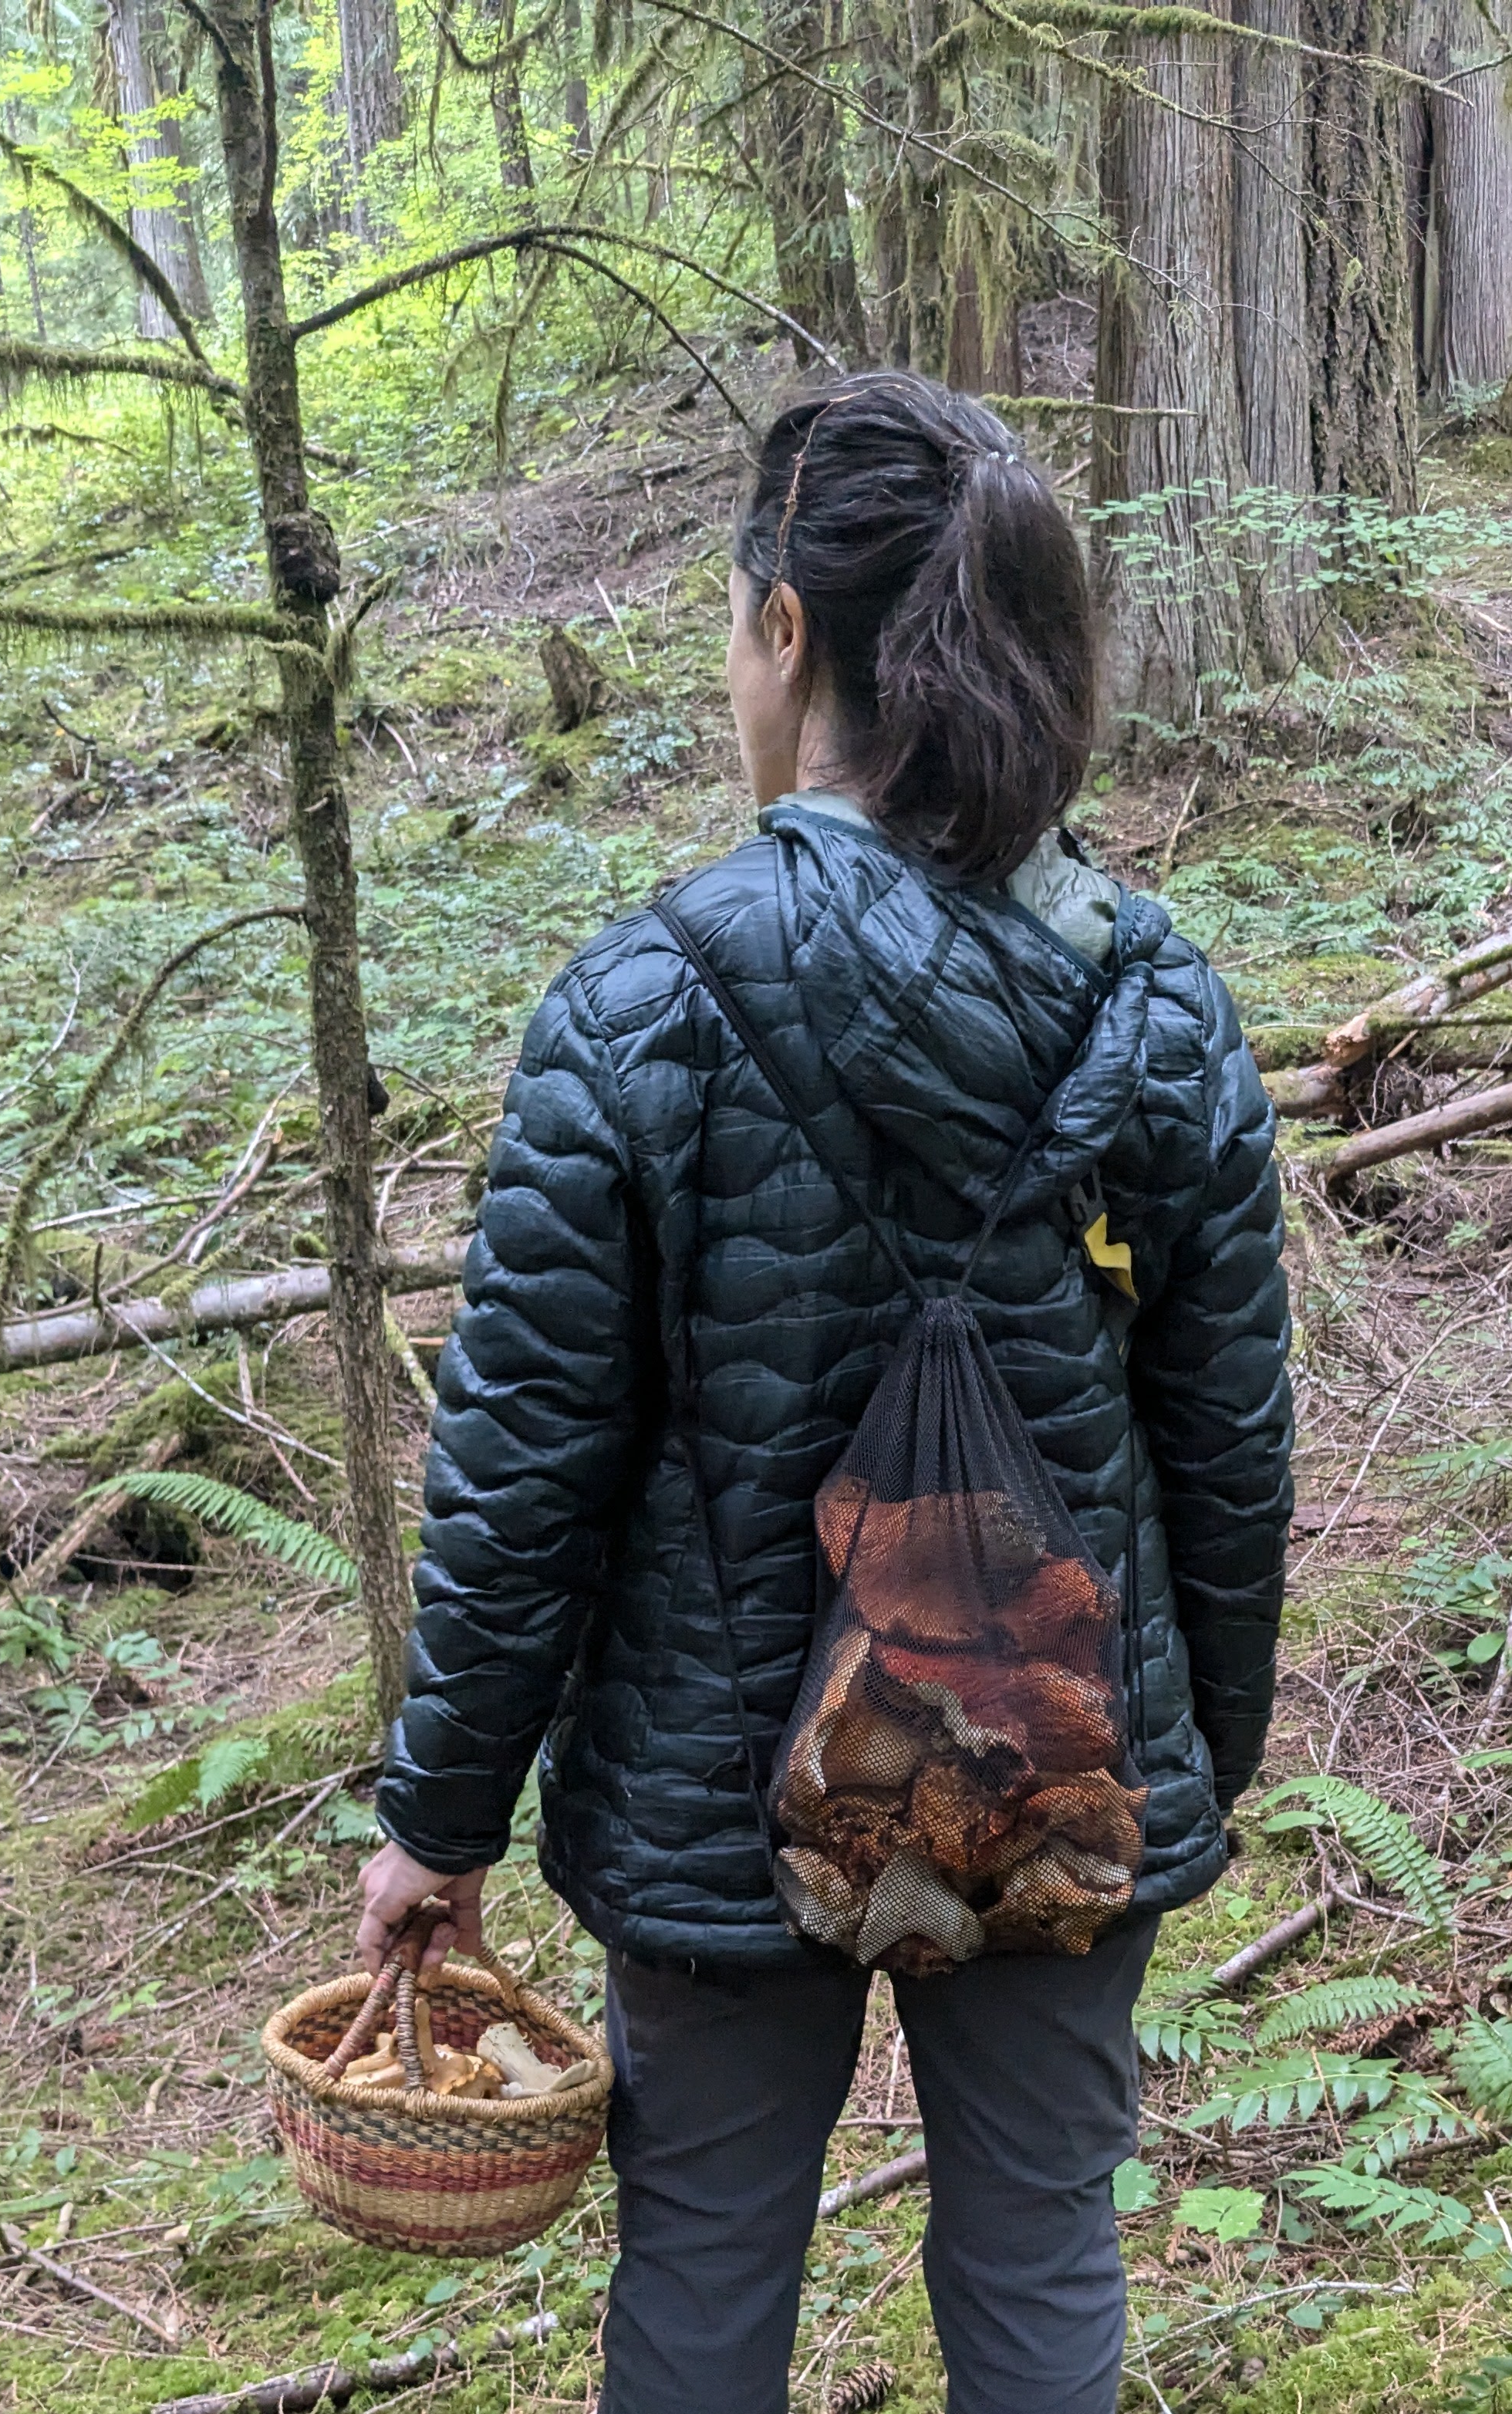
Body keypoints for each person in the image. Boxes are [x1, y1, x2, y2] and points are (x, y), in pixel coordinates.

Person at [356, 371, 1294, 2414]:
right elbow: (1227, 1451)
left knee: (699, 2256)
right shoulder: (1156, 1000)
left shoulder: (634, 1006)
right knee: (1040, 2243)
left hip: (709, 1786)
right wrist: (1182, 1746)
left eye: (733, 619)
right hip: (1057, 1755)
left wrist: (439, 1819)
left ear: (787, 628)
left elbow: (523, 1477)